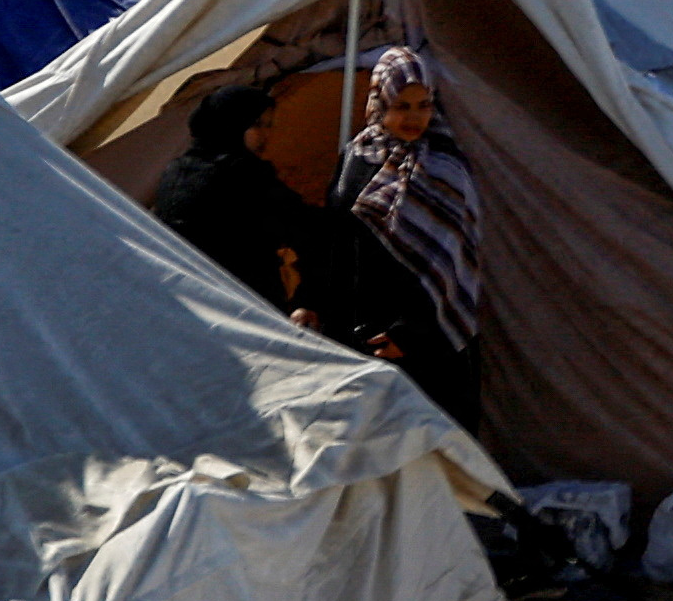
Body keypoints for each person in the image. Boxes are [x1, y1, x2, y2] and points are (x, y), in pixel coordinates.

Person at [332, 45, 484, 422]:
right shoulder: (357, 158)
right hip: (362, 327)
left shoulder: (445, 166)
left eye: (423, 105)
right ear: (380, 104)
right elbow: (337, 241)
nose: (415, 118)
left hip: (427, 339)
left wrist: (410, 334)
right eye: (402, 106)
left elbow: (454, 262)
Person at [146, 83, 327, 315]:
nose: (266, 135)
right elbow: (306, 230)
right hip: (243, 305)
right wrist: (307, 300)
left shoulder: (178, 170)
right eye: (256, 125)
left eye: (268, 126)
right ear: (232, 124)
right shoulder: (242, 174)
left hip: (184, 303)